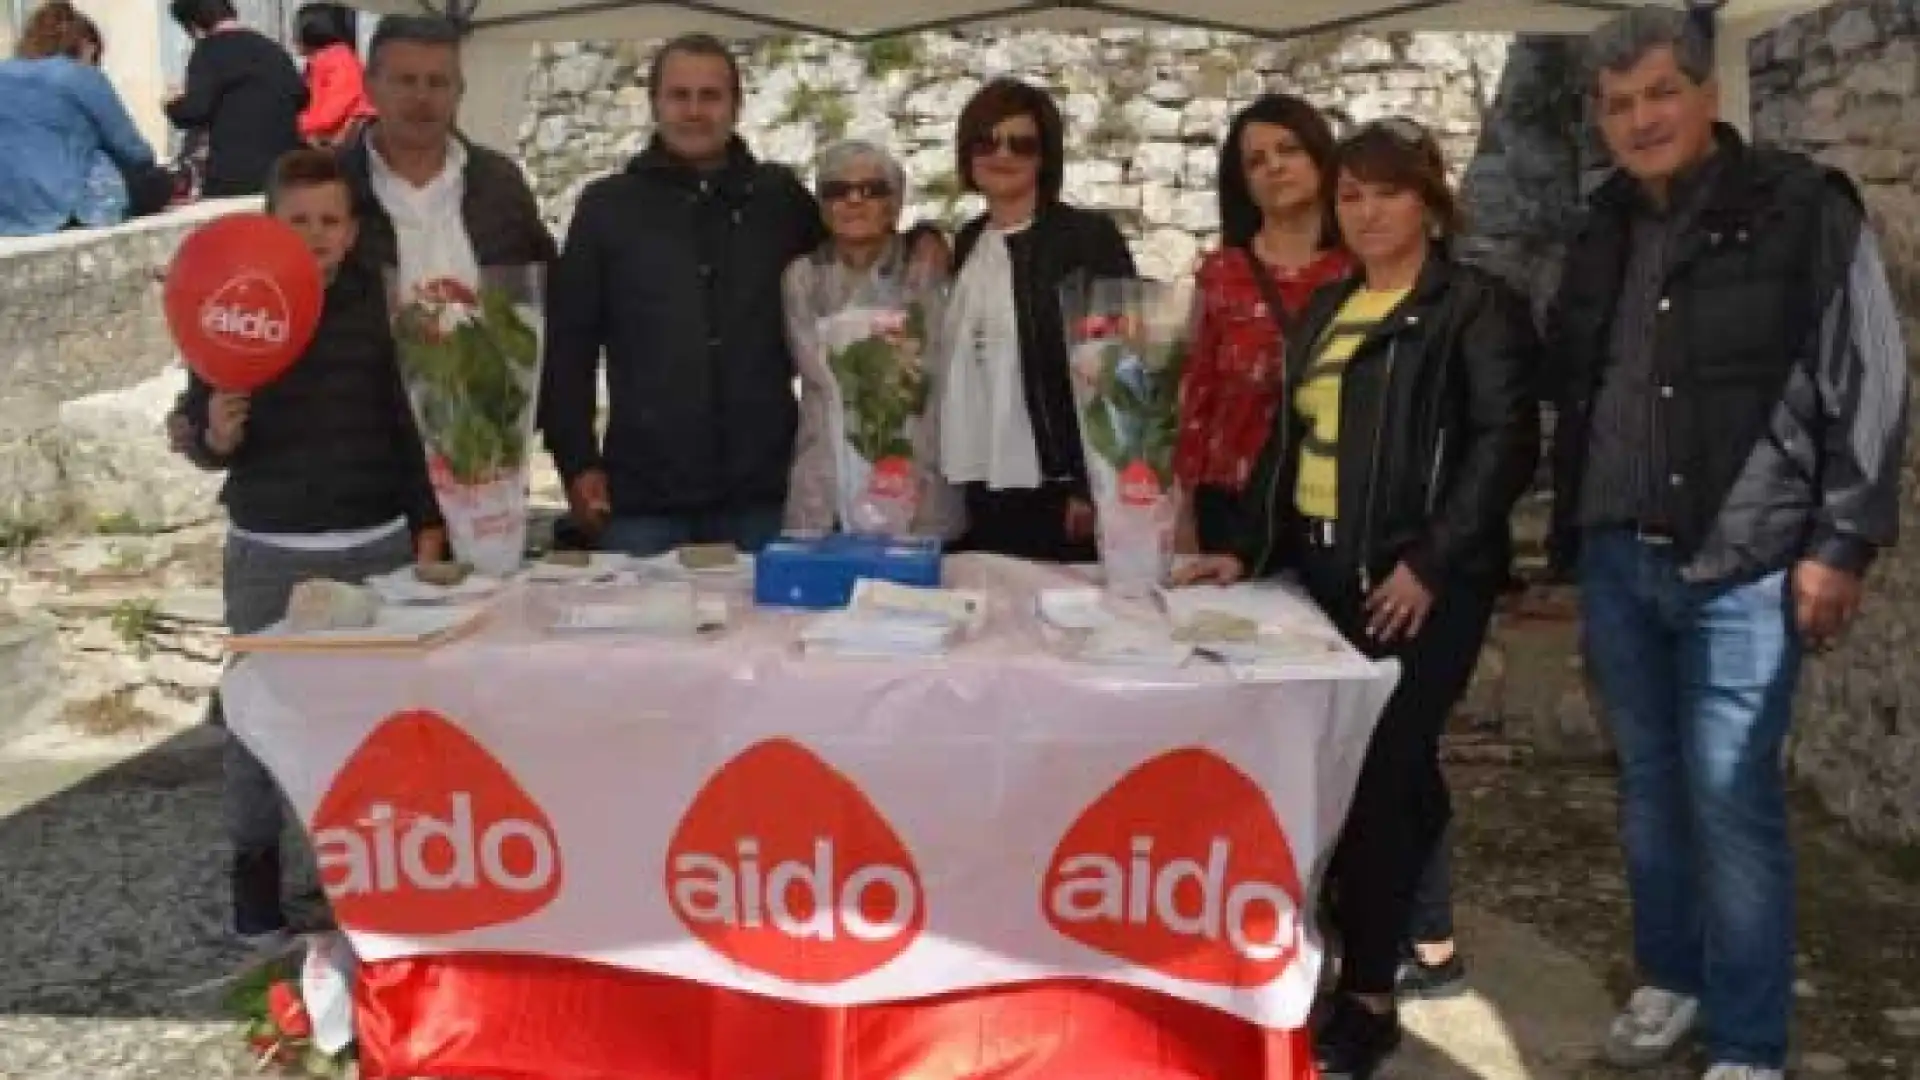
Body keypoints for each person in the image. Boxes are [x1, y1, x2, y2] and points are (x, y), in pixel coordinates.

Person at [1546, 9, 1908, 1079]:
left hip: (1744, 562)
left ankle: (1750, 1039)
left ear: (1709, 94)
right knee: (1649, 786)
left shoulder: (1801, 207)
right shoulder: (1602, 222)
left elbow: (1872, 381)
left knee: (1731, 796)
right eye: (1619, 104)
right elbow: (1580, 377)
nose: (1641, 119)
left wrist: (1841, 542)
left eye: (1661, 93)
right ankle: (1672, 979)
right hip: (1619, 553)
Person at [1178, 118, 1539, 1078]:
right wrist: (1243, 552)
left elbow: (1503, 445)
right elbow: (1285, 450)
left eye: (1385, 191)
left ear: (1428, 199)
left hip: (1414, 583)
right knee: (1371, 770)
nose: (1366, 210)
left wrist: (1431, 561)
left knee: (1379, 778)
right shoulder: (1329, 301)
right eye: (1352, 195)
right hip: (1321, 577)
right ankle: (1405, 943)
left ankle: (1369, 994)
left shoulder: (1474, 306)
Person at [175, 148, 445, 947]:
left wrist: (427, 523)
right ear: (272, 225)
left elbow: (409, 427)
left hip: (377, 546)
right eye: (301, 220)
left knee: (374, 729)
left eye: (332, 220)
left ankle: (359, 885)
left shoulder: (378, 306)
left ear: (353, 231)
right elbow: (201, 421)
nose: (318, 234)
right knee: (259, 725)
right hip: (270, 551)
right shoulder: (234, 301)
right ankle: (255, 884)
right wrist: (212, 439)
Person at [542, 33, 827, 557]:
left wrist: (921, 239)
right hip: (644, 497)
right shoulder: (607, 208)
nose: (694, 111)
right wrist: (576, 461)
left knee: (770, 639)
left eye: (710, 96)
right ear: (654, 102)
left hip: (764, 491)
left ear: (737, 105)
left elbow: (857, 263)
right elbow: (568, 346)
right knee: (640, 641)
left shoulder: (781, 201)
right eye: (679, 95)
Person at [940, 77, 1137, 562]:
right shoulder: (968, 242)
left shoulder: (1085, 238)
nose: (1002, 154)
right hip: (981, 477)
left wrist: (1091, 487)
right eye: (987, 141)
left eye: (1021, 144)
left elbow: (1123, 370)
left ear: (1044, 157)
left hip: (1060, 487)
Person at [1176, 94, 1351, 554]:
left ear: (1319, 157)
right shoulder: (1221, 274)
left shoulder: (1358, 271)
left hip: (1332, 499)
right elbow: (1197, 394)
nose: (1274, 166)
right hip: (1232, 500)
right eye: (1256, 161)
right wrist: (1183, 508)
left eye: (1289, 149)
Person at [782, 138, 962, 539]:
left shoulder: (927, 269)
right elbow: (823, 378)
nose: (854, 201)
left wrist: (932, 235)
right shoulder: (803, 278)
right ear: (822, 206)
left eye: (872, 190)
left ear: (895, 204)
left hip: (916, 487)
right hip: (824, 493)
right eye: (838, 190)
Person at [336, 15, 556, 289]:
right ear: (370, 87)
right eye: (406, 81)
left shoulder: (500, 184)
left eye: (437, 82)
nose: (421, 97)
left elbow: (546, 287)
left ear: (460, 92)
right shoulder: (329, 185)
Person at [0, 1, 160, 237]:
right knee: (157, 181)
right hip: (71, 207)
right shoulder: (78, 75)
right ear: (86, 45)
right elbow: (134, 152)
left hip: (11, 213)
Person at [166, 0, 308, 198]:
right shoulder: (272, 49)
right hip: (286, 172)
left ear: (194, 26)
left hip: (235, 178)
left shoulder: (208, 52)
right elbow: (301, 96)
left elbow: (196, 110)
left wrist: (171, 105)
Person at [294, 2, 375, 148]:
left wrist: (294, 124)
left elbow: (331, 113)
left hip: (347, 142)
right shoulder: (324, 60)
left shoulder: (339, 59)